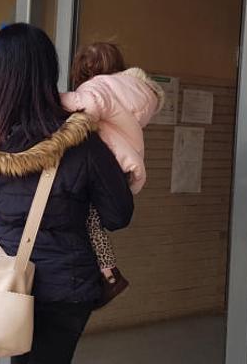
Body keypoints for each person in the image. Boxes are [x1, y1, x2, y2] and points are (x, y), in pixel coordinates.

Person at [0, 24, 134, 364]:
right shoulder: (81, 141)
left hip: (3, 274)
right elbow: (118, 215)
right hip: (64, 283)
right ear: (49, 71)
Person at [61, 42, 164, 306]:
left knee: (90, 219)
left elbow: (88, 106)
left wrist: (55, 99)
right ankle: (107, 273)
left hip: (107, 159)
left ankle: (109, 275)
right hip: (123, 163)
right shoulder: (132, 90)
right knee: (93, 218)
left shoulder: (98, 88)